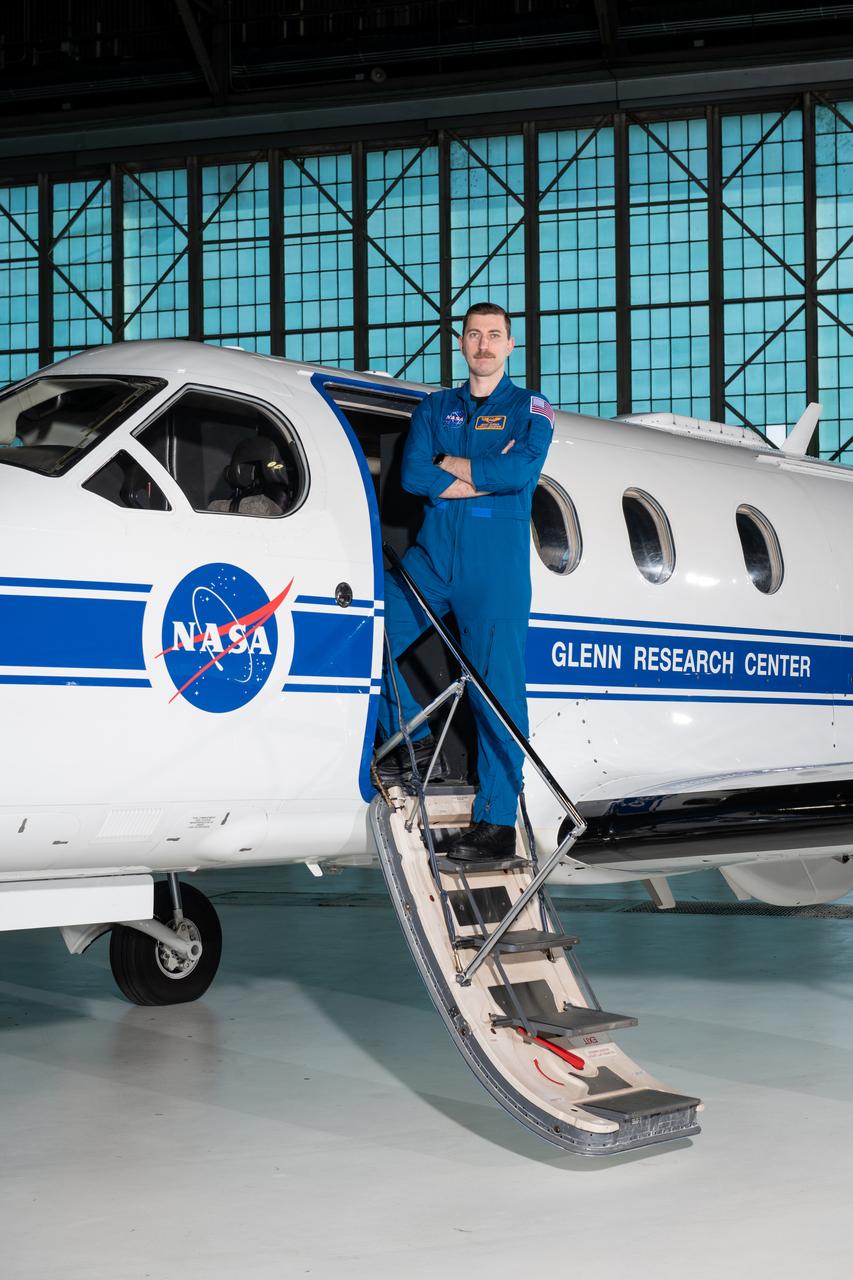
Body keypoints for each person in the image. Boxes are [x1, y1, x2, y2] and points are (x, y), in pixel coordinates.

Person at [376, 301, 554, 862]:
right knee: (364, 638)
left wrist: (448, 464)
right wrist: (478, 474)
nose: (483, 344)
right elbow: (412, 474)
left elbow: (519, 471)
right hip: (432, 558)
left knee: (497, 693)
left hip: (493, 569)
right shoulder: (435, 407)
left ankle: (498, 821)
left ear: (510, 345)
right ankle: (413, 739)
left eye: (494, 335)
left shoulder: (532, 407)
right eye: (474, 335)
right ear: (461, 343)